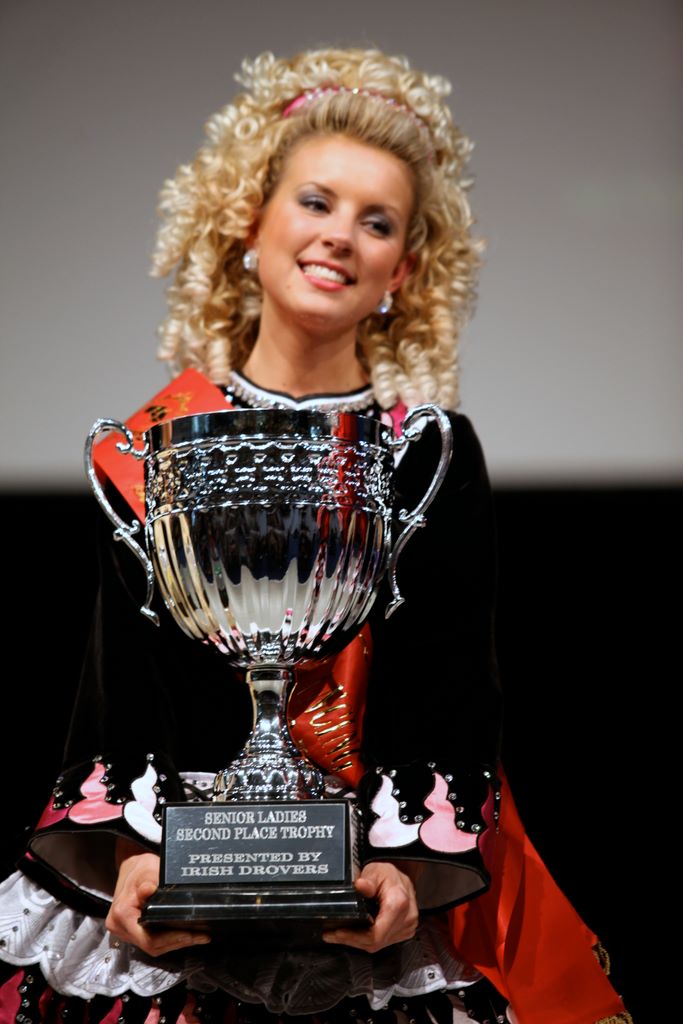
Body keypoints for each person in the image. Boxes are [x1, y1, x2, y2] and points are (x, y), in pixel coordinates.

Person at [0, 48, 631, 1024]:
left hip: (371, 884)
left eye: (376, 221)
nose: (341, 233)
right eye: (315, 201)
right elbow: (121, 685)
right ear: (248, 224)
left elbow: (451, 684)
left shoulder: (426, 453)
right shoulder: (151, 445)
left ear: (402, 270)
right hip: (175, 882)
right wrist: (131, 858)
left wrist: (407, 873)